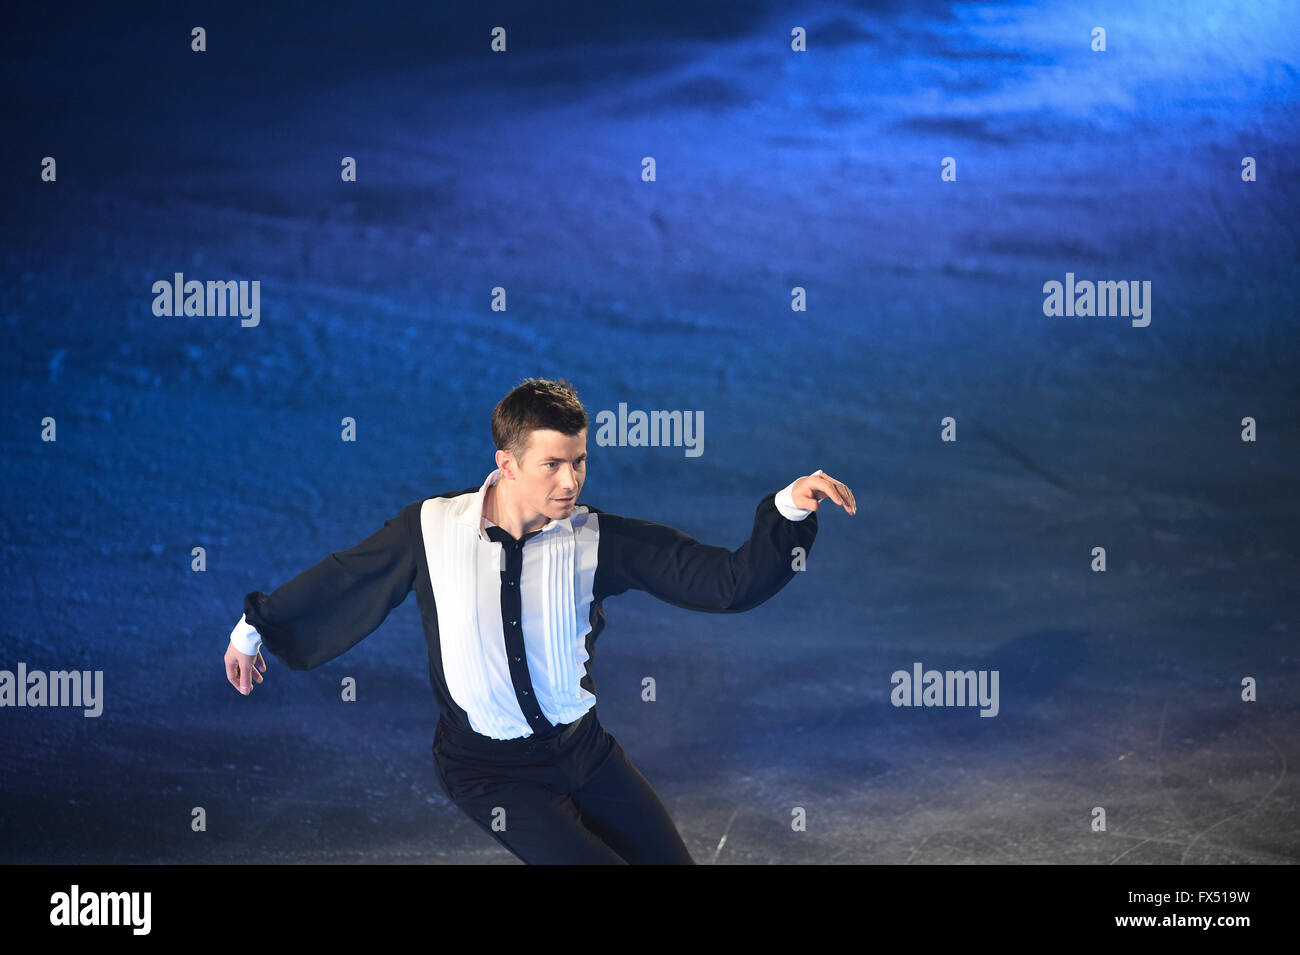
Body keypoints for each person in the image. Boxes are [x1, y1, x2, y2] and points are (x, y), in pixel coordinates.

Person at [223, 378, 855, 864]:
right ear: (507, 464)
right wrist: (254, 628)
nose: (570, 479)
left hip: (586, 753)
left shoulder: (597, 540)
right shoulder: (431, 530)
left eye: (579, 461)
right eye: (552, 464)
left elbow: (726, 584)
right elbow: (345, 578)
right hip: (487, 772)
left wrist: (788, 509)